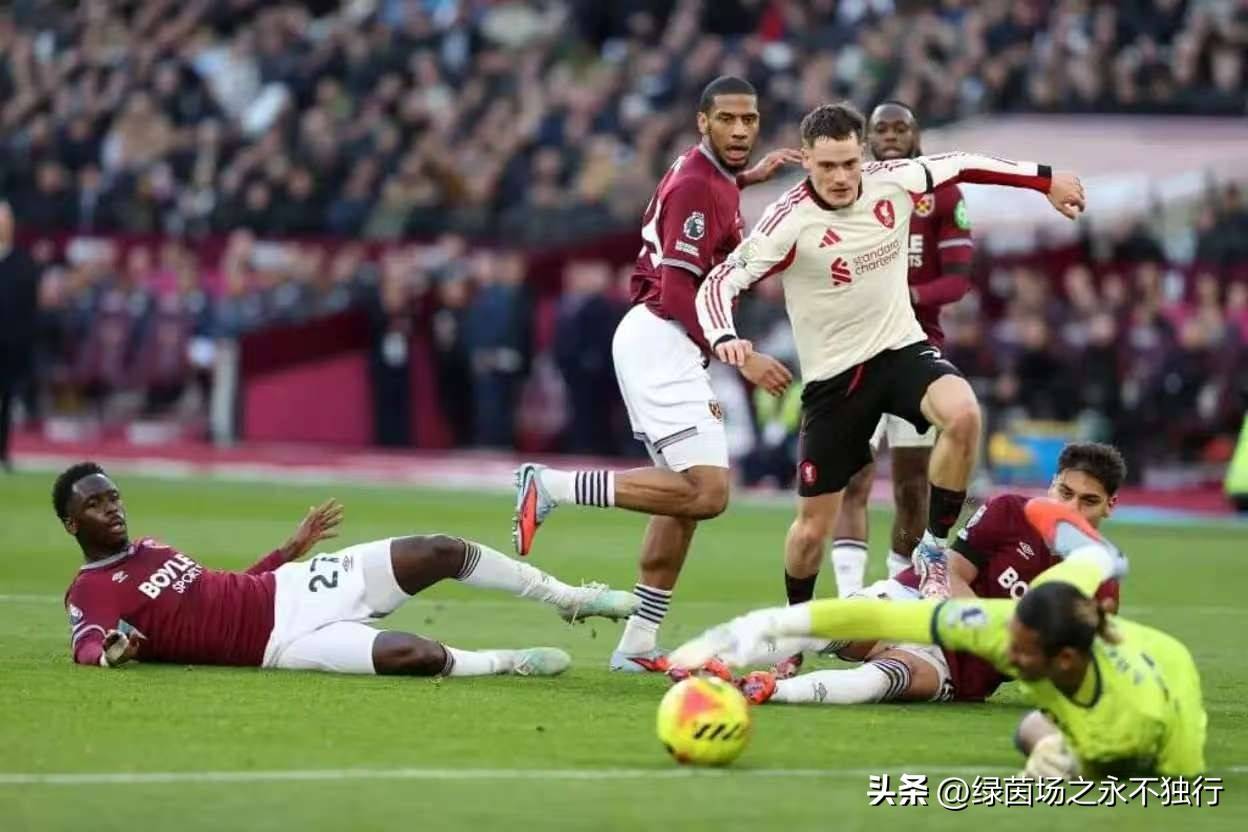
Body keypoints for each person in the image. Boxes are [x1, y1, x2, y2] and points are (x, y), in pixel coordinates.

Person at [693, 103, 1085, 653]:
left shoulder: (895, 180)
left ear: (862, 154)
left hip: (900, 350)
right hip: (835, 381)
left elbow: (965, 162)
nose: (840, 177)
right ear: (806, 160)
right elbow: (719, 282)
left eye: (849, 163)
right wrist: (725, 340)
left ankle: (931, 550)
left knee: (964, 415)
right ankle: (793, 632)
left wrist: (1045, 180)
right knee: (810, 531)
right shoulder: (788, 219)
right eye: (826, 166)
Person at [512, 76, 801, 672]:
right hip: (662, 338)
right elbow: (674, 289)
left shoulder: (709, 175)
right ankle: (553, 486)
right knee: (708, 493)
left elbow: (708, 200)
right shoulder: (699, 184)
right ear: (703, 122)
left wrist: (750, 177)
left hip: (664, 342)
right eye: (727, 119)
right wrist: (734, 350)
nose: (741, 130)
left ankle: (638, 644)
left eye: (749, 119)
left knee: (683, 503)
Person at [672, 499, 1207, 779]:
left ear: (1063, 659)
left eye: (1021, 654)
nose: (1010, 656)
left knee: (892, 681)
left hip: (1144, 712)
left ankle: (771, 688)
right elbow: (872, 616)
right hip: (994, 615)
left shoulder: (1146, 708)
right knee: (863, 625)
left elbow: (1184, 785)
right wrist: (756, 626)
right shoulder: (1003, 629)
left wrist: (1082, 766)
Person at [58, 463, 638, 676]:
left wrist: (288, 550)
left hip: (287, 589)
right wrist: (109, 653)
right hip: (280, 648)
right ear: (72, 523)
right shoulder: (91, 588)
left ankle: (567, 598)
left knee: (436, 549)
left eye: (113, 497)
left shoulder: (152, 548)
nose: (113, 509)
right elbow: (87, 644)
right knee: (417, 655)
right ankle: (510, 663)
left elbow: (218, 589)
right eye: (96, 504)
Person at [732, 442, 1127, 707]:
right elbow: (952, 570)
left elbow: (1067, 663)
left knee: (881, 681)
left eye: (1088, 501)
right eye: (1065, 492)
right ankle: (709, 662)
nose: (1071, 509)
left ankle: (770, 690)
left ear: (1109, 505)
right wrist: (990, 628)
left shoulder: (1101, 578)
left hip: (963, 666)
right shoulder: (1010, 511)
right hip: (921, 602)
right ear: (1052, 485)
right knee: (824, 625)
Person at [829, 101, 976, 596]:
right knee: (853, 478)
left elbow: (957, 281)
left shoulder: (943, 192)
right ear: (867, 139)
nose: (891, 135)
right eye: (881, 129)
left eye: (900, 128)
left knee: (913, 487)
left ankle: (897, 594)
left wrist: (906, 295)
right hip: (855, 352)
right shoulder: (847, 190)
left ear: (916, 135)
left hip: (915, 353)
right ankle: (850, 600)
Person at [0, 199, 41, 472]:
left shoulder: (23, 263)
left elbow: (29, 309)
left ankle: (2, 451)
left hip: (10, 345)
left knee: (6, 400)